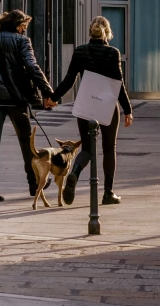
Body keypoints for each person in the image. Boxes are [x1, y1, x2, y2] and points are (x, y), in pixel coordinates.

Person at [0, 9, 56, 203]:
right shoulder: (22, 41)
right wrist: (48, 92)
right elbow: (33, 68)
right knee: (26, 142)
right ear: (18, 25)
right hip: (17, 100)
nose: (25, 29)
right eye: (24, 26)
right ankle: (34, 184)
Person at [50, 16, 133, 206]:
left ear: (90, 31)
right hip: (107, 107)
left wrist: (53, 98)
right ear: (107, 32)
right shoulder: (113, 53)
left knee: (87, 148)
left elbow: (69, 80)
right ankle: (108, 193)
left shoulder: (80, 52)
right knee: (109, 148)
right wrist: (128, 110)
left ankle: (74, 173)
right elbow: (119, 86)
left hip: (85, 106)